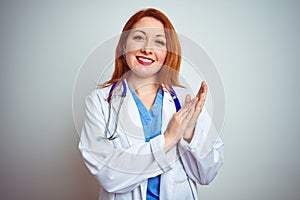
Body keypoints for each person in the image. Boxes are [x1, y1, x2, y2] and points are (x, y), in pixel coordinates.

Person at [79, 8, 224, 200]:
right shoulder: (100, 102)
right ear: (124, 46)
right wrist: (168, 139)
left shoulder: (185, 102)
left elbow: (207, 175)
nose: (147, 48)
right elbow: (108, 175)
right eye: (139, 37)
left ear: (167, 53)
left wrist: (189, 136)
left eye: (159, 42)